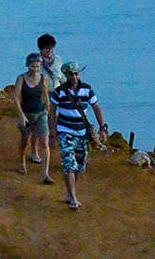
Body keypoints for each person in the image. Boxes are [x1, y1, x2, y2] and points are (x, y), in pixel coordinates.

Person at [51, 61, 103, 209]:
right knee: (69, 163)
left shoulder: (87, 89)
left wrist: (102, 128)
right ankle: (73, 197)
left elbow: (96, 107)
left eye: (76, 73)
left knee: (79, 165)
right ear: (66, 75)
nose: (74, 77)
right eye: (71, 74)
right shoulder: (59, 91)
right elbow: (52, 113)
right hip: (65, 131)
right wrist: (53, 133)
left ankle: (70, 191)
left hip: (82, 132)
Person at [13, 52, 53, 181]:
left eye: (37, 67)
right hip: (27, 113)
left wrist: (48, 109)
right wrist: (21, 115)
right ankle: (21, 160)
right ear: (27, 65)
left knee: (44, 143)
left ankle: (45, 174)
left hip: (41, 113)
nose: (35, 69)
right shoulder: (21, 79)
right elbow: (15, 97)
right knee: (24, 141)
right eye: (32, 66)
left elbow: (45, 94)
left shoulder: (43, 78)